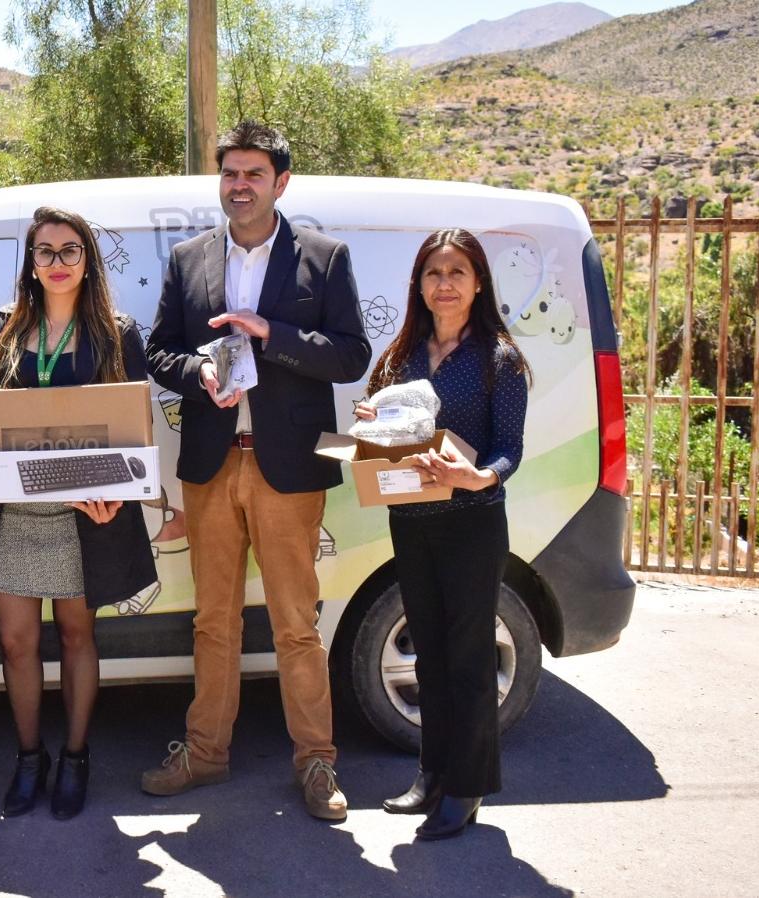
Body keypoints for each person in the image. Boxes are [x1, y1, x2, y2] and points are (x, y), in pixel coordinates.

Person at [142, 120, 372, 821]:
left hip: (288, 469)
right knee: (213, 622)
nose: (240, 186)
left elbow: (351, 355)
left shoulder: (323, 259)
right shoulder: (189, 259)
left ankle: (316, 762)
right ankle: (205, 753)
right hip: (212, 465)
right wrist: (200, 372)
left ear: (281, 183)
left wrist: (274, 337)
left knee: (296, 624)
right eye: (230, 174)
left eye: (253, 174)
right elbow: (159, 352)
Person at [0, 206, 157, 820]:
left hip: (83, 513)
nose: (58, 263)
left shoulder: (116, 333)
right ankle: (28, 757)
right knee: (16, 642)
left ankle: (74, 756)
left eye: (70, 250)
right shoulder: (4, 330)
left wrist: (116, 496)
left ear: (87, 260)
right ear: (31, 264)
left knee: (76, 635)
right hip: (16, 513)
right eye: (45, 252)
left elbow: (135, 431)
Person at [357, 228, 529, 841]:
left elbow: (510, 450)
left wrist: (477, 475)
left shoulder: (499, 359)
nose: (445, 283)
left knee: (469, 657)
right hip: (411, 520)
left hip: (472, 524)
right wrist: (369, 422)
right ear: (420, 285)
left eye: (457, 272)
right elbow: (383, 432)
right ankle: (430, 773)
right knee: (429, 649)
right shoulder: (401, 356)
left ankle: (466, 787)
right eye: (434, 273)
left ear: (478, 282)